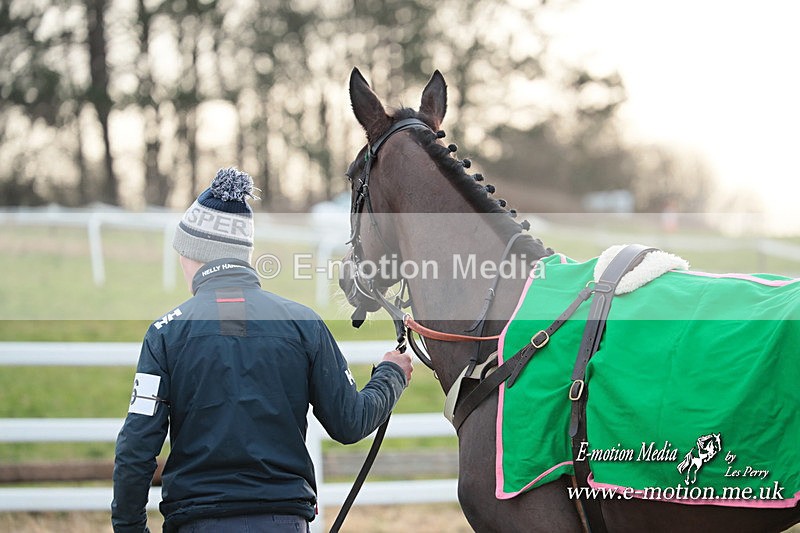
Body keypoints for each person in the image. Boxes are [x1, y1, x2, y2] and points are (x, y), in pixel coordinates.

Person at [112, 167, 413, 533]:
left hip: (197, 521)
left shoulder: (165, 332)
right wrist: (391, 375)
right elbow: (350, 422)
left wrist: (129, 528)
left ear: (193, 254)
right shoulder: (303, 323)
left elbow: (136, 447)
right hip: (283, 520)